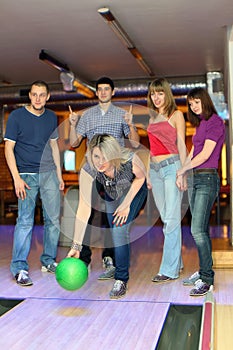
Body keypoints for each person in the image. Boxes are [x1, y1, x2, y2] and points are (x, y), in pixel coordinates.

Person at [69, 76, 139, 279]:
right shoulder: (88, 115)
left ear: (113, 92)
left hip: (113, 171)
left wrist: (131, 125)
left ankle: (110, 258)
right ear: (97, 92)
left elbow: (134, 143)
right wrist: (73, 124)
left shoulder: (121, 115)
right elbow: (74, 143)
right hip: (91, 169)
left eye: (106, 89)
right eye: (99, 89)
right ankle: (83, 257)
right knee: (87, 213)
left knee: (111, 216)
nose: (103, 92)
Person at [67, 134, 147, 298]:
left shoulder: (128, 159)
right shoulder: (89, 170)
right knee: (113, 228)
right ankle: (116, 266)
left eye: (105, 157)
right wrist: (76, 246)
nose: (100, 162)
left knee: (119, 229)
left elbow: (140, 178)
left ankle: (121, 279)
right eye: (96, 156)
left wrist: (126, 205)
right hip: (113, 193)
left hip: (134, 190)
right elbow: (83, 208)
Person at [4, 80, 64, 286]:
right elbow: (8, 149)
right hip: (26, 176)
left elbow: (54, 147)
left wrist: (60, 175)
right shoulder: (16, 117)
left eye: (42, 95)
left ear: (48, 97)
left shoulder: (51, 117)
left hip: (49, 174)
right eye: (34, 94)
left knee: (54, 220)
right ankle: (19, 267)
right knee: (25, 221)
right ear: (29, 96)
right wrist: (16, 178)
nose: (38, 98)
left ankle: (48, 261)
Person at [176, 87, 225, 296]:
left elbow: (205, 155)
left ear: (205, 100)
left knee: (197, 230)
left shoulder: (215, 122)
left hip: (207, 178)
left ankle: (207, 279)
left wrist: (183, 169)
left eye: (197, 101)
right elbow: (194, 152)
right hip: (196, 178)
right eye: (191, 103)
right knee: (200, 230)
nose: (194, 106)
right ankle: (204, 270)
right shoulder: (201, 124)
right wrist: (183, 173)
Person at [147, 77, 186, 283]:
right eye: (153, 93)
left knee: (171, 220)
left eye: (160, 93)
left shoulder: (176, 114)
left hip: (172, 168)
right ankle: (177, 262)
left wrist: (183, 172)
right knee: (167, 218)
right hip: (155, 171)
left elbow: (181, 144)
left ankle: (169, 270)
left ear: (167, 94)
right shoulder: (152, 118)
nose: (156, 97)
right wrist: (148, 173)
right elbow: (151, 148)